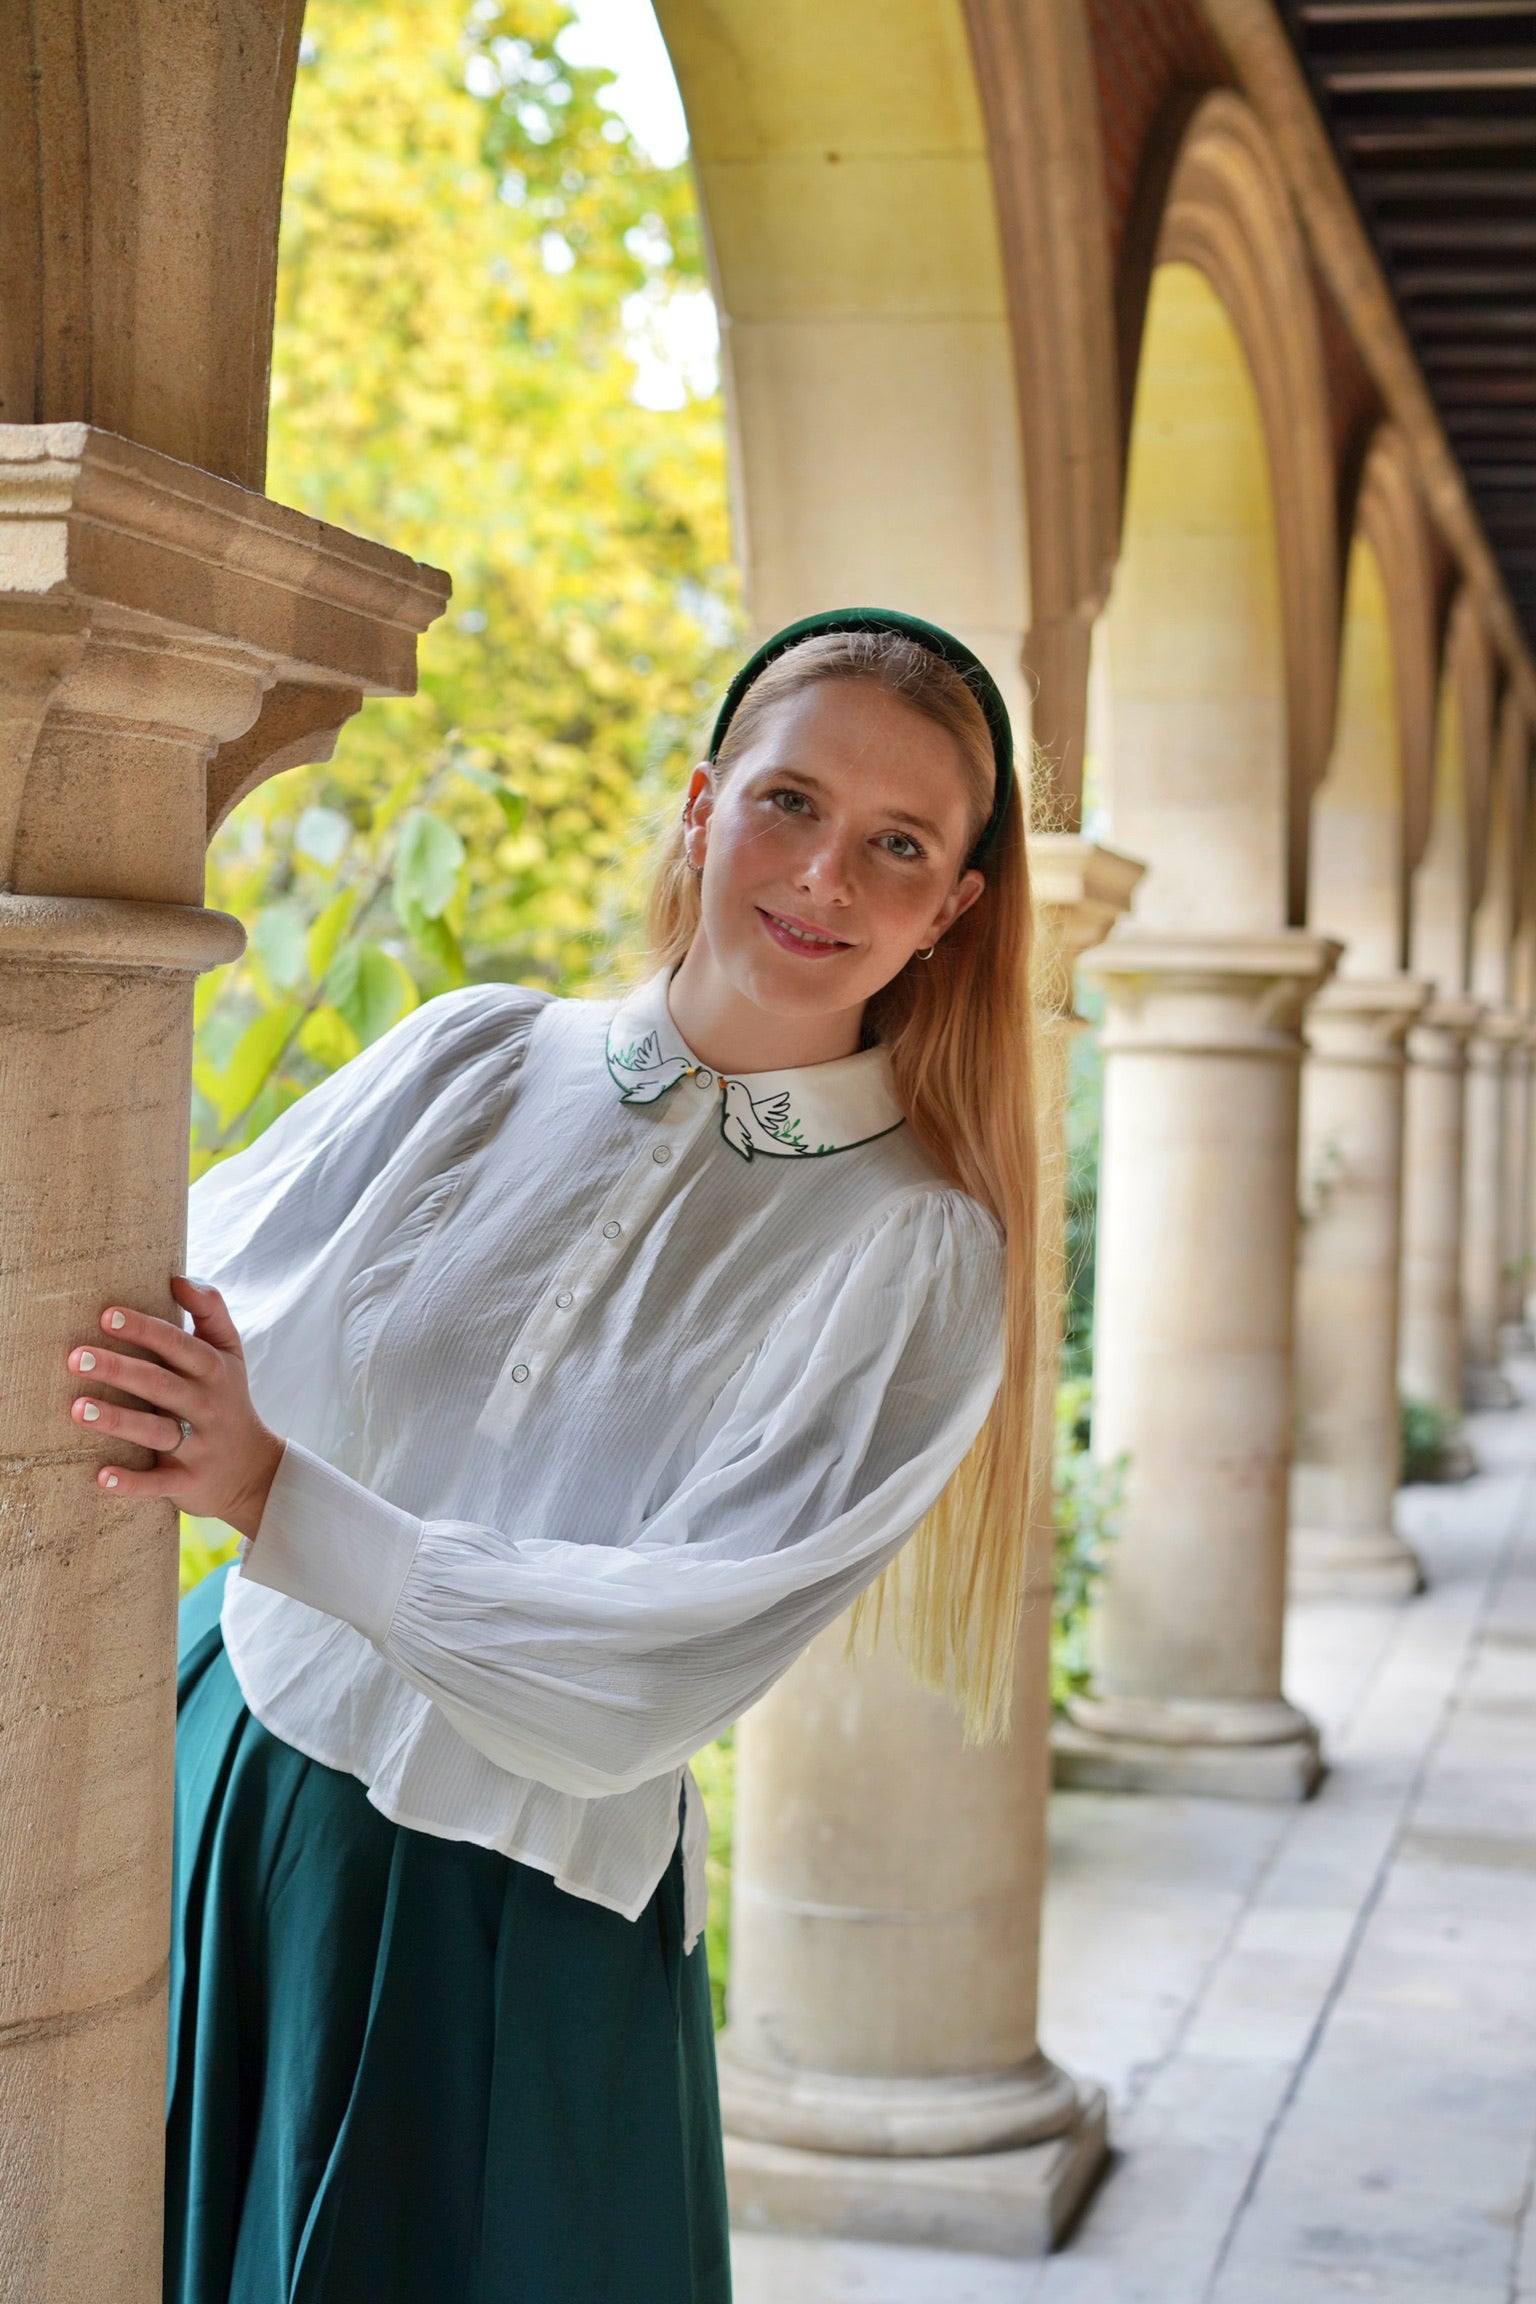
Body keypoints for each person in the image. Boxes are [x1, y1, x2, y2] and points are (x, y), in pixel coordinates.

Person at [63, 607, 1041, 2304]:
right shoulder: (473, 1054)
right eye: (791, 804)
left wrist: (270, 1491)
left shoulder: (918, 1253)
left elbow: (650, 1671)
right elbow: (159, 1297)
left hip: (512, 1917)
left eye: (898, 845)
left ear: (954, 907)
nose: (825, 877)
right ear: (701, 799)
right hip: (235, 1770)